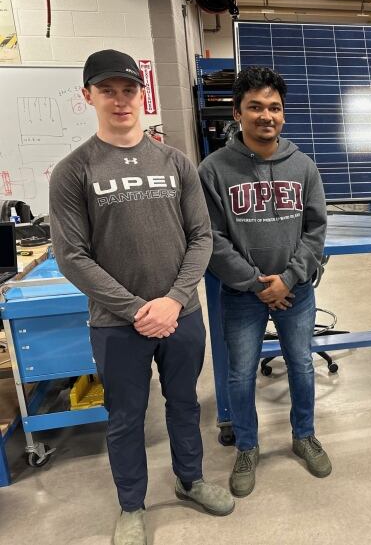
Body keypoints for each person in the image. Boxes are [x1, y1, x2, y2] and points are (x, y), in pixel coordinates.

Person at [50, 49, 234, 545]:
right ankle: (132, 505)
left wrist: (174, 300)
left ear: (141, 94)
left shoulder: (176, 162)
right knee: (126, 416)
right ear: (87, 96)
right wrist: (136, 310)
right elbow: (72, 256)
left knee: (185, 404)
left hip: (183, 316)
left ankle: (191, 480)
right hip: (115, 324)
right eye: (107, 90)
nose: (120, 100)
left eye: (128, 89)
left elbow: (202, 237)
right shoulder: (73, 171)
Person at [199, 67, 330, 498]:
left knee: (302, 365)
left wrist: (288, 278)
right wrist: (257, 284)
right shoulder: (214, 170)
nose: (265, 115)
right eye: (255, 106)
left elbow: (316, 230)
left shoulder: (304, 165)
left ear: (283, 115)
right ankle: (247, 446)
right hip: (242, 295)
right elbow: (212, 238)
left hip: (297, 290)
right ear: (237, 112)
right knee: (239, 375)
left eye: (274, 107)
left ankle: (304, 435)